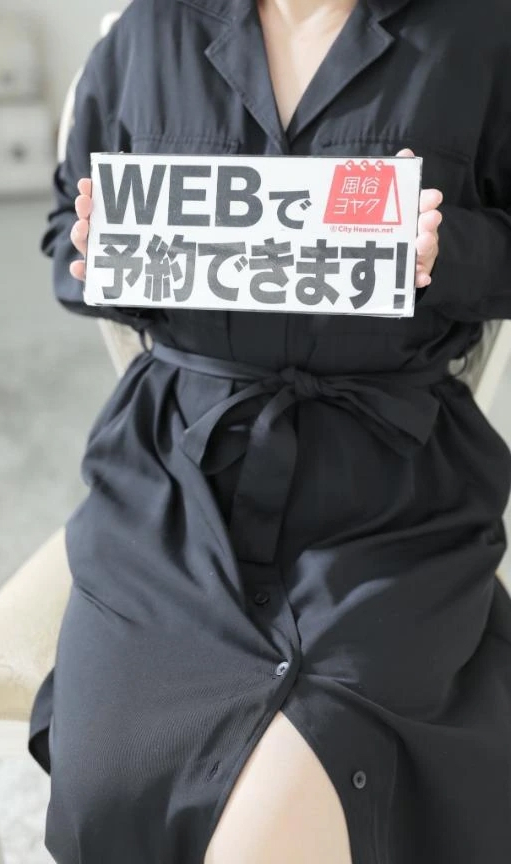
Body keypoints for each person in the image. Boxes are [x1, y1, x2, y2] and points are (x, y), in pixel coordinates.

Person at [27, 1, 511, 862]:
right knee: (113, 772)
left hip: (391, 492)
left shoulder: (481, 34)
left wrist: (449, 255)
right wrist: (101, 250)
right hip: (174, 480)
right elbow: (67, 233)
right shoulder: (148, 33)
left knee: (319, 769)